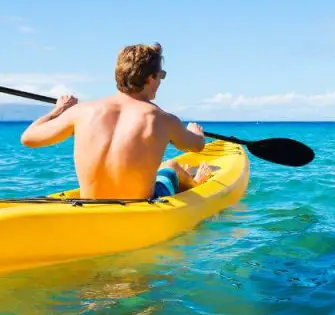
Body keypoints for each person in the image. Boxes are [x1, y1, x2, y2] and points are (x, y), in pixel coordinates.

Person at [20, 42, 213, 200]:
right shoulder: (163, 119)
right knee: (171, 167)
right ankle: (196, 182)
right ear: (149, 78)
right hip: (140, 207)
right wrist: (196, 131)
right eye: (161, 75)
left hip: (91, 206)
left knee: (169, 166)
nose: (160, 81)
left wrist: (59, 110)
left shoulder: (81, 112)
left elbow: (28, 138)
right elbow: (196, 146)